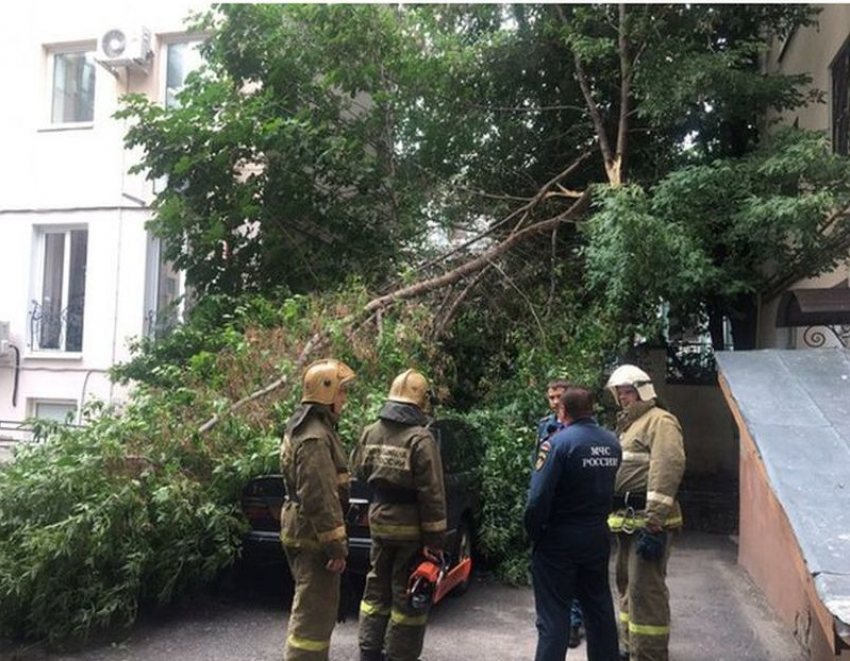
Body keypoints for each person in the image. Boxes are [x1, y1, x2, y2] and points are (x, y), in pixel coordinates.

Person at [351, 369, 447, 661]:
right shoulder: (421, 439)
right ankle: (399, 654)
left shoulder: (370, 431)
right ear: (421, 401)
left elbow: (359, 471)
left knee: (375, 590)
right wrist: (435, 540)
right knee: (408, 594)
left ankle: (369, 650)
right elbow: (432, 493)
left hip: (379, 523)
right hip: (411, 530)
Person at [525, 386, 622, 661]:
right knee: (599, 610)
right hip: (596, 536)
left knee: (554, 616)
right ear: (591, 409)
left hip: (559, 538)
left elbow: (537, 499)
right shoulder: (612, 442)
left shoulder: (557, 444)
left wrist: (535, 533)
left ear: (563, 412)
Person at [605, 365, 686, 661]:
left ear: (642, 390)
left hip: (649, 523)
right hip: (629, 523)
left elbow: (667, 468)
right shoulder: (629, 425)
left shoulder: (660, 421)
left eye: (627, 392)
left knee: (646, 593)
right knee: (627, 588)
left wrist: (654, 520)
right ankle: (630, 648)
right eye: (619, 393)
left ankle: (649, 655)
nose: (623, 398)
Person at [279, 358, 355, 661]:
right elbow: (320, 497)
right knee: (312, 620)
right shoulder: (314, 436)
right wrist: (336, 547)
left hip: (303, 530)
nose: (343, 399)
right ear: (326, 393)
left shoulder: (311, 427)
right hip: (313, 538)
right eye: (340, 392)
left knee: (314, 613)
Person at [536, 379, 585, 648]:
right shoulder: (546, 425)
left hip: (573, 506)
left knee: (573, 569)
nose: (555, 401)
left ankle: (573, 623)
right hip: (549, 505)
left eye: (559, 396)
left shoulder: (582, 426)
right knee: (550, 571)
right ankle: (552, 621)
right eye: (551, 396)